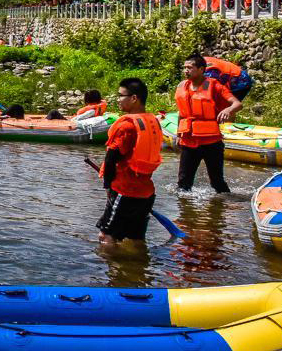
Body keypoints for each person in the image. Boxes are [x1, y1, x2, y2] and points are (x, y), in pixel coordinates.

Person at [98, 78, 165, 255]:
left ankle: (112, 275)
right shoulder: (153, 121)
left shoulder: (127, 126)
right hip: (146, 192)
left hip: (124, 190)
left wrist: (107, 187)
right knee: (136, 238)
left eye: (121, 95)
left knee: (106, 236)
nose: (117, 99)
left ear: (134, 98)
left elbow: (111, 158)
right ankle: (138, 273)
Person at [174, 52, 240, 194]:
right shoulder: (182, 87)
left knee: (217, 182)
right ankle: (186, 215)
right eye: (184, 67)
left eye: (190, 67)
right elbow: (182, 113)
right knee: (183, 183)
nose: (186, 71)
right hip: (189, 141)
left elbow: (237, 104)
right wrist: (178, 134)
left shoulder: (214, 86)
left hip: (211, 143)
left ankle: (225, 208)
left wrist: (229, 110)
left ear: (201, 69)